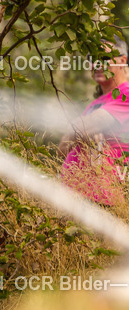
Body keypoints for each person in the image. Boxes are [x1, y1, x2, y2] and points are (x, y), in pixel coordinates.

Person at [58, 37, 129, 206]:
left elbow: (79, 130)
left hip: (102, 201)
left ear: (122, 60)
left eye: (104, 58)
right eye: (92, 59)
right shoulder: (95, 104)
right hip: (74, 198)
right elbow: (62, 148)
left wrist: (79, 129)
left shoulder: (126, 93)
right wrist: (79, 130)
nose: (97, 64)